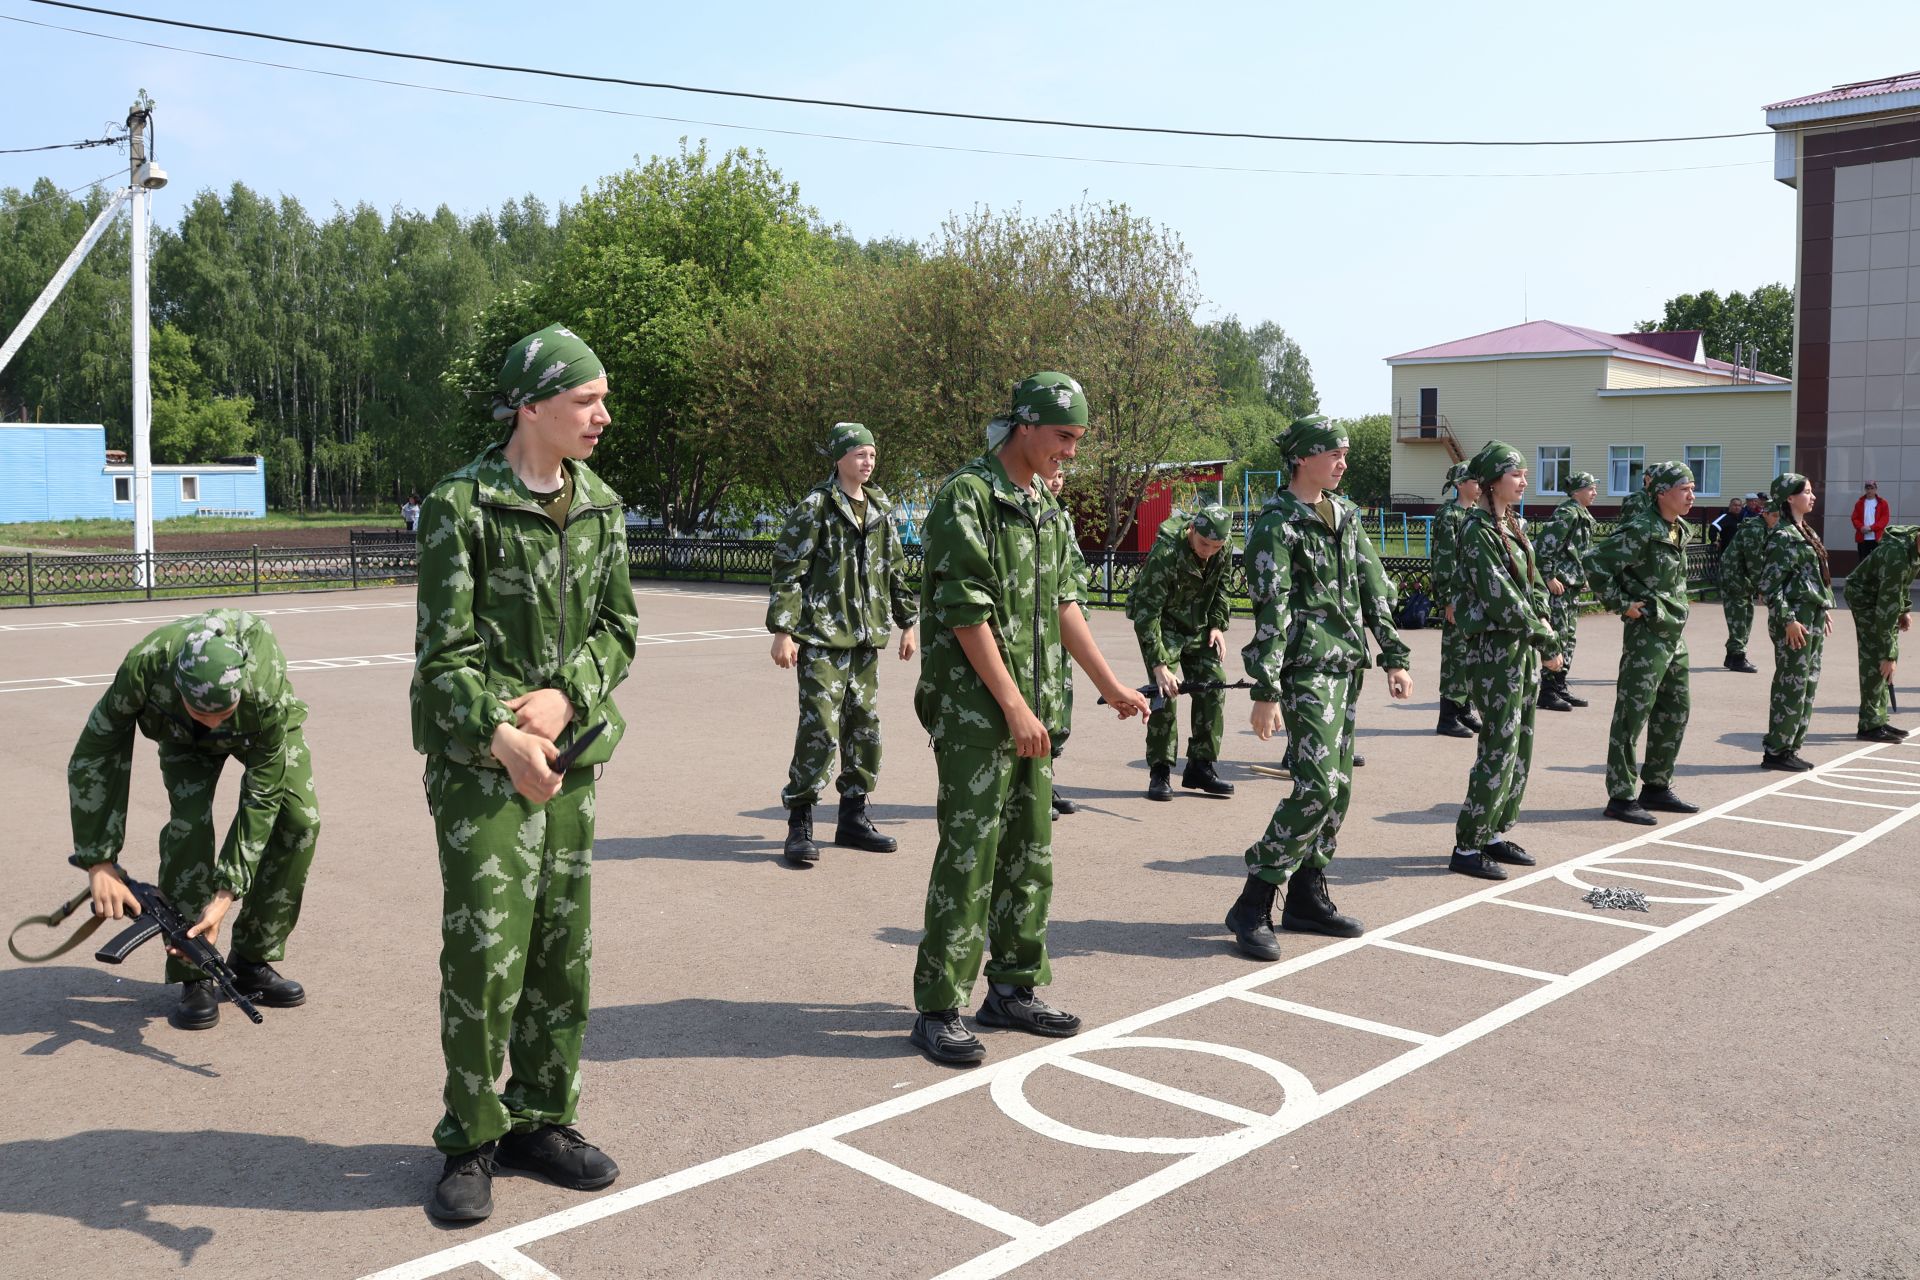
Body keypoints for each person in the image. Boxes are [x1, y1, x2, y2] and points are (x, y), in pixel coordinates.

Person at [412, 322, 639, 1223]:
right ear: (533, 405)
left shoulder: (602, 506)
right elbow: (443, 655)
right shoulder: (461, 503)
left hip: (572, 759)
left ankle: (541, 1119)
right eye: (587, 400)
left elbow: (618, 630)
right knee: (485, 955)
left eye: (602, 399)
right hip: (482, 767)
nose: (603, 417)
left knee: (560, 951)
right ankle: (469, 1137)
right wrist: (507, 732)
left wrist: (568, 697)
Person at [907, 373, 1151, 1065]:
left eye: (1077, 439)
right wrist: (1012, 706)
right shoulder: (970, 496)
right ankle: (937, 1008)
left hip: (1036, 716)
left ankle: (1011, 989)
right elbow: (965, 611)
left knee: (1029, 855)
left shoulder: (1044, 502)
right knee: (969, 860)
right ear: (1025, 426)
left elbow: (1065, 604)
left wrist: (1110, 685)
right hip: (978, 715)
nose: (1071, 453)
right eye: (1063, 438)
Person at [66, 608, 318, 1030]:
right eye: (206, 712)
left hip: (260, 732)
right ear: (178, 689)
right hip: (183, 739)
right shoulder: (147, 665)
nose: (217, 722)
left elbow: (262, 795)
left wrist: (225, 896)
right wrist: (99, 859)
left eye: (223, 711)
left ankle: (252, 959)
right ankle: (195, 973)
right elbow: (98, 749)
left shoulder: (263, 681)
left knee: (298, 823)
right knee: (190, 827)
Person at [1226, 415, 1413, 960]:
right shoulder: (1276, 524)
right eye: (1334, 453)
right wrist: (1265, 690)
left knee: (1340, 791)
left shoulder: (1345, 515)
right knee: (1317, 787)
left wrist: (1392, 655)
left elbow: (1373, 585)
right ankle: (1253, 901)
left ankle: (1306, 895)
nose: (1343, 462)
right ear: (1304, 457)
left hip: (1346, 667)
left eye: (1346, 453)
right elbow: (1272, 609)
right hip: (1304, 670)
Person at [767, 422, 919, 864]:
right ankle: (800, 822)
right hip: (821, 636)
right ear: (838, 458)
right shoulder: (816, 506)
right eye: (859, 455)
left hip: (865, 638)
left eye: (872, 454)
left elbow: (894, 568)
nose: (868, 462)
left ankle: (852, 816)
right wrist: (783, 630)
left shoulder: (880, 508)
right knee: (819, 726)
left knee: (864, 726)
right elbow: (789, 568)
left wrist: (909, 623)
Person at [1446, 442, 1562, 879]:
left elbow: (1530, 588)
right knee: (1498, 745)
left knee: (1520, 744)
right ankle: (1467, 843)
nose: (1524, 482)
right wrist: (1547, 640)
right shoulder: (1477, 531)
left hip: (1521, 650)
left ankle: (1494, 830)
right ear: (1494, 481)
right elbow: (1503, 599)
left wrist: (1544, 628)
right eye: (1517, 475)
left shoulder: (1511, 524)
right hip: (1496, 652)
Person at [1588, 461, 1701, 825]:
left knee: (1676, 709)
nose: (1691, 495)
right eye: (1684, 488)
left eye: (1693, 487)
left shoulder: (1679, 530)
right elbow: (1595, 563)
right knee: (1632, 714)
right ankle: (1620, 795)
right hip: (1647, 635)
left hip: (1673, 634)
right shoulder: (1641, 530)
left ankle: (1656, 785)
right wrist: (1623, 605)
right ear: (1662, 493)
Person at [1126, 501, 1236, 802]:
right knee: (1166, 692)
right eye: (1203, 543)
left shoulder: (1221, 549)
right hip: (1164, 624)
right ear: (1192, 529)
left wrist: (1217, 625)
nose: (1208, 551)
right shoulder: (1166, 554)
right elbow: (1147, 613)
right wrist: (1159, 663)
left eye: (1216, 546)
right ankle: (1160, 770)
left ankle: (1201, 766)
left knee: (1214, 684)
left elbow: (1223, 588)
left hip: (1198, 625)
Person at [1756, 473, 1834, 772]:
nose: (1813, 497)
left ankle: (1791, 747)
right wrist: (1788, 620)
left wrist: (1824, 606)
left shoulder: (1807, 532)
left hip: (1811, 616)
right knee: (1792, 684)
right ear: (1790, 497)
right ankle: (1776, 750)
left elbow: (1813, 577)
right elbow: (1770, 585)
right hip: (1795, 621)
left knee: (1807, 684)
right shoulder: (1784, 536)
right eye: (1807, 492)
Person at [1044, 466, 1092, 816]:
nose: (1057, 480)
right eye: (1052, 473)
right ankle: (1030, 789)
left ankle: (1045, 780)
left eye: (1062, 475)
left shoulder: (1060, 515)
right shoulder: (1034, 513)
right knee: (1038, 705)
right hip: (1040, 627)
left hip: (1064, 627)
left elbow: (1074, 567)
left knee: (1058, 705)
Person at [1842, 523, 1918, 742]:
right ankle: (1869, 725)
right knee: (1876, 657)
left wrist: (1904, 609)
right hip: (1864, 598)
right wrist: (1889, 654)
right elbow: (1885, 612)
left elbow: (1901, 585)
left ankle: (1878, 719)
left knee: (1883, 658)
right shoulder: (1898, 555)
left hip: (1879, 597)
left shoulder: (1914, 546)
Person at [1534, 470, 1597, 711]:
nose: (1595, 492)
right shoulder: (1567, 513)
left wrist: (1583, 576)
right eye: (1590, 488)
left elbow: (1575, 551)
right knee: (1557, 636)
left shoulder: (1581, 514)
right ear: (1577, 491)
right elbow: (1544, 547)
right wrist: (1549, 577)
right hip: (1559, 587)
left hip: (1570, 586)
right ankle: (1548, 692)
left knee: (1569, 638)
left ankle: (1559, 686)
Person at [1432, 462, 1484, 738]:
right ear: (1460, 484)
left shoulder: (1476, 514)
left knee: (1470, 657)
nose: (1479, 486)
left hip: (1476, 599)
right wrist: (1448, 600)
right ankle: (1448, 716)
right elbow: (1444, 561)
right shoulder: (1448, 515)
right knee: (1454, 657)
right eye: (1474, 481)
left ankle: (1464, 709)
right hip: (1458, 598)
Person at [1717, 502, 1778, 674]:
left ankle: (1732, 656)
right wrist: (1762, 587)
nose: (1776, 520)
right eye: (1774, 516)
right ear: (1765, 514)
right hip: (1735, 578)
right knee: (1739, 617)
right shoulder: (1755, 530)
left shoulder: (1762, 527)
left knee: (1745, 615)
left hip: (1740, 579)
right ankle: (1737, 658)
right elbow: (1754, 562)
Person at [1852, 481, 1891, 564]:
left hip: (1877, 539)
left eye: (1872, 488)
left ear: (1876, 489)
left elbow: (1884, 519)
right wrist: (1861, 527)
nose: (1869, 491)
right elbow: (1854, 518)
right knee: (1863, 563)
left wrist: (1871, 528)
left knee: (1878, 562)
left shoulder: (1883, 503)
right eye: (1867, 488)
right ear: (1865, 489)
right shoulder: (1859, 503)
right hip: (1862, 539)